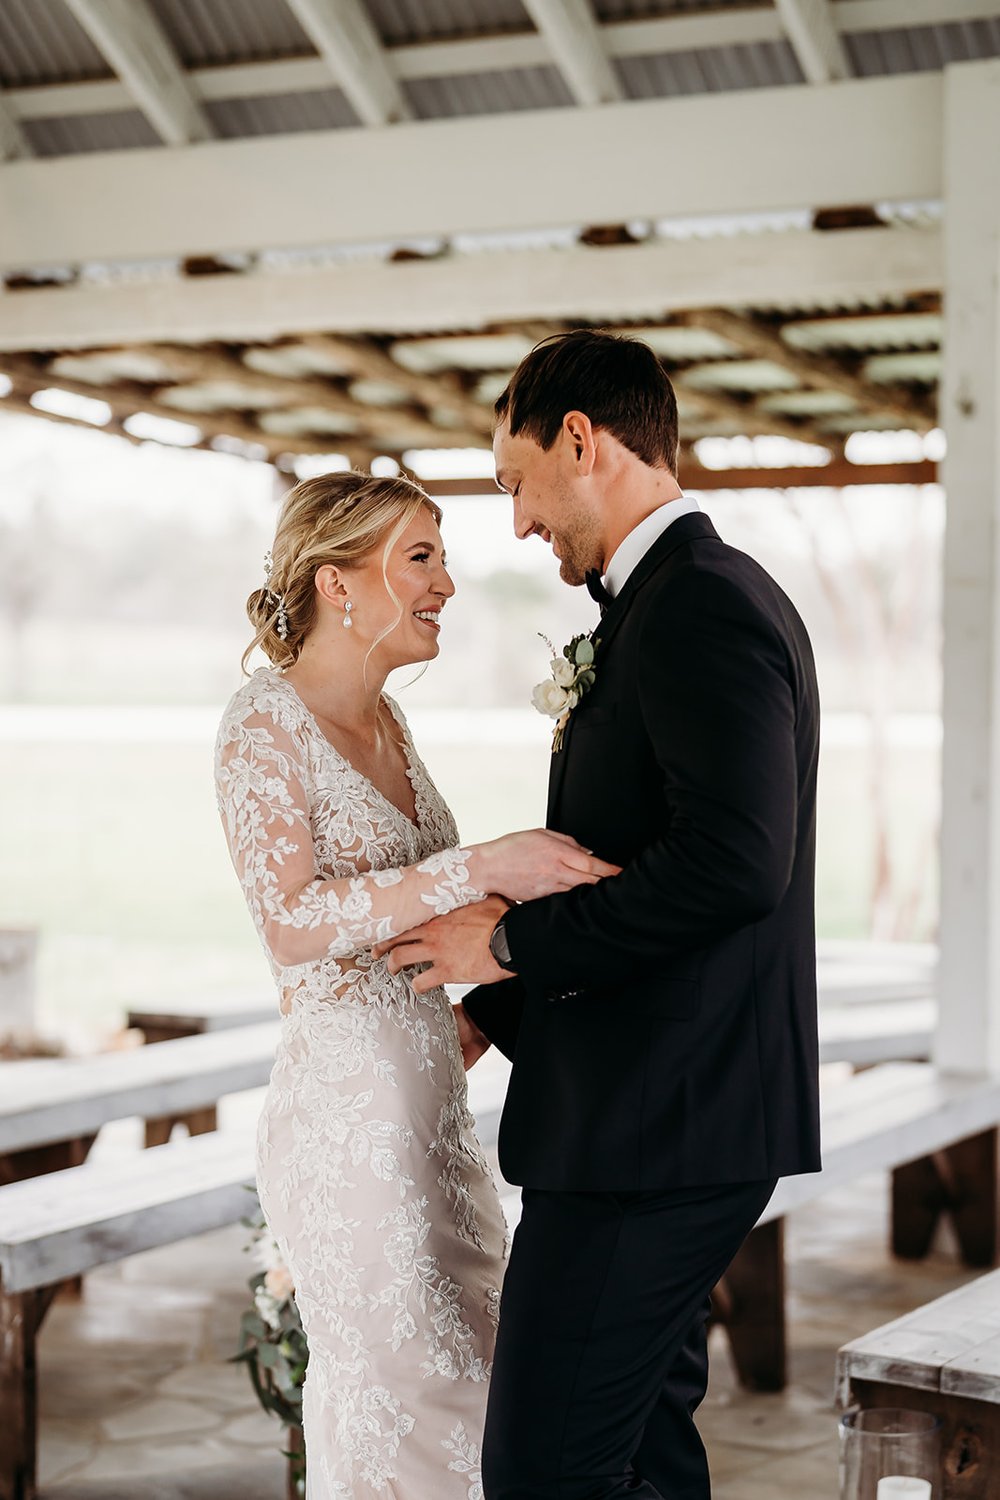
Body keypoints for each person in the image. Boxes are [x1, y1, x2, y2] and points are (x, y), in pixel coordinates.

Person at [377, 330, 822, 1500]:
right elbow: (631, 866)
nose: (519, 522)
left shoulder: (701, 607)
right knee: (640, 1454)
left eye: (515, 481)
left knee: (542, 1470)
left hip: (656, 1132)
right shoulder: (667, 603)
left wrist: (508, 940)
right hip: (657, 1111)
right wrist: (509, 1008)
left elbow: (733, 866)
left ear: (582, 440)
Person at [213, 470, 616, 1499]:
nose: (448, 583)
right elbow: (294, 922)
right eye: (422, 558)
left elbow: (401, 921)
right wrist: (479, 865)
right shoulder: (263, 724)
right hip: (348, 1132)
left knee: (484, 1394)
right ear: (339, 582)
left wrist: (471, 1005)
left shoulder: (393, 727)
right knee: (408, 1402)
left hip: (436, 1112)